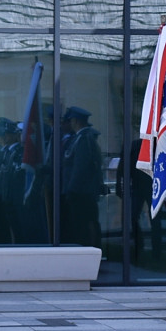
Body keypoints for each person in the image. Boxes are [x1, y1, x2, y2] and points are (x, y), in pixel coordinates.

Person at [61, 106, 102, 248]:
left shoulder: (84, 139)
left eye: (71, 120)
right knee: (81, 224)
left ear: (76, 121)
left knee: (83, 225)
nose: (70, 123)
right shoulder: (79, 138)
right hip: (81, 191)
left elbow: (80, 167)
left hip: (82, 192)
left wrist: (72, 189)